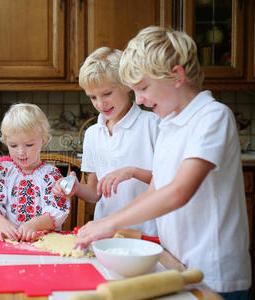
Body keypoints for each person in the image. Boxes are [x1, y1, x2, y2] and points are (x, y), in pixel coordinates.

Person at [74, 26, 251, 298]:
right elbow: (156, 189)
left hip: (215, 272)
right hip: (176, 263)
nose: (141, 99)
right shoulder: (169, 125)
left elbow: (179, 191)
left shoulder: (212, 117)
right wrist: (106, 224)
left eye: (143, 88)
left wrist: (109, 224)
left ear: (177, 76)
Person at [53, 47, 159, 236]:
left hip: (147, 233)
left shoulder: (151, 125)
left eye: (107, 93)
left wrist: (131, 171)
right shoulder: (93, 134)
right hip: (105, 233)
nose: (100, 103)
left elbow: (169, 182)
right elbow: (94, 193)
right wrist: (76, 188)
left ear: (127, 85)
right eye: (93, 97)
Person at [0, 103, 69, 241]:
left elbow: (58, 210)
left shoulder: (51, 175)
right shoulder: (4, 172)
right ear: (6, 142)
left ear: (43, 140)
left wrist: (34, 225)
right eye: (13, 145)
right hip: (10, 240)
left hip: (43, 241)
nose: (21, 152)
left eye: (29, 145)